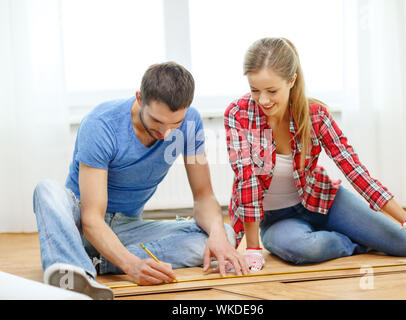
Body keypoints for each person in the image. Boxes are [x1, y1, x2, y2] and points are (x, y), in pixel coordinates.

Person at [33, 62, 248, 300]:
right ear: (139, 98)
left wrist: (217, 233)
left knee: (225, 234)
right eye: (157, 121)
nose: (166, 133)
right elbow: (92, 218)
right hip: (80, 223)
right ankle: (73, 273)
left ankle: (97, 263)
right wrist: (132, 266)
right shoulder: (101, 124)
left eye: (174, 124)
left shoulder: (190, 123)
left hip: (127, 227)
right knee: (46, 190)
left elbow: (204, 196)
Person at [224, 37, 406, 271]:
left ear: (291, 80)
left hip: (324, 199)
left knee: (405, 244)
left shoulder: (316, 115)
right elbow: (246, 181)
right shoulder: (238, 115)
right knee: (302, 249)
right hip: (278, 218)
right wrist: (252, 248)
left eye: (271, 91)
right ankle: (357, 241)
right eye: (255, 90)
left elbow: (354, 171)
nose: (263, 100)